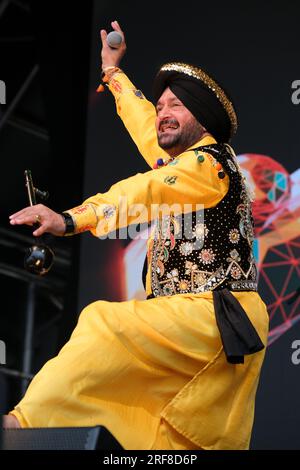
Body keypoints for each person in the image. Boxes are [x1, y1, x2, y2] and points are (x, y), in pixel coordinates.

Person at [3, 21, 269, 450]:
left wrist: (70, 219)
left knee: (102, 325)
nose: (163, 112)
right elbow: (147, 126)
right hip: (194, 325)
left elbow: (140, 193)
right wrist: (112, 71)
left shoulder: (210, 165)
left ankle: (21, 425)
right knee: (167, 442)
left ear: (203, 119)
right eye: (161, 103)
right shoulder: (181, 163)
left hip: (214, 319)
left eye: (177, 105)